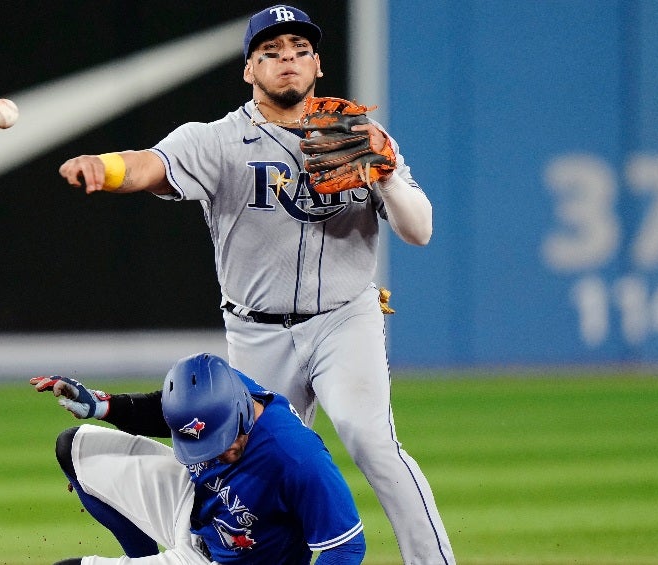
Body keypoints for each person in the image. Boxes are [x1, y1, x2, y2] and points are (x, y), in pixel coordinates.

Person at [57, 5, 454, 564]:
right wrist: (106, 166)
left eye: (298, 50)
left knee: (372, 443)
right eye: (271, 52)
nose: (286, 61)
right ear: (250, 70)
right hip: (256, 330)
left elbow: (420, 231)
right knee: (237, 468)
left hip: (345, 318)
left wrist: (383, 174)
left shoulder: (361, 136)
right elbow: (150, 164)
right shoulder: (218, 141)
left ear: (317, 64)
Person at [30, 352, 366, 564]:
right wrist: (106, 407)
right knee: (75, 448)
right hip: (194, 512)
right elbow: (175, 414)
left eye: (224, 438)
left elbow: (347, 547)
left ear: (243, 409)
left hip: (231, 558)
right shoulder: (225, 391)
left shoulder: (298, 457)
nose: (222, 451)